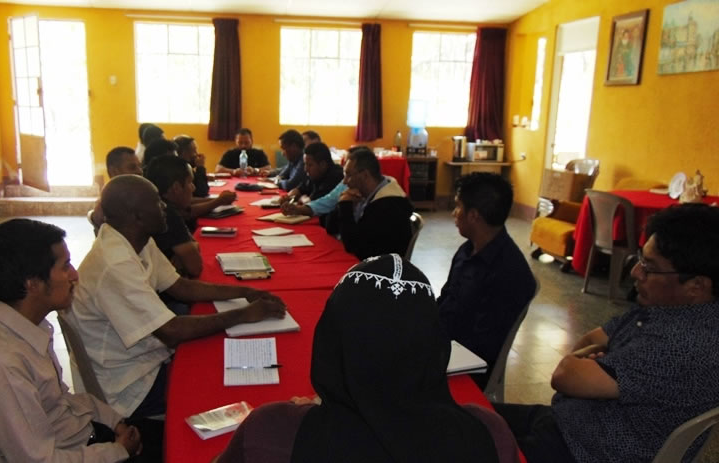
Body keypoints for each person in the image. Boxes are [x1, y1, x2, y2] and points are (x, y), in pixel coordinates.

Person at [215, 255, 514, 463]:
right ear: (434, 344)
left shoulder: (271, 432)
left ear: (330, 343)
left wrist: (303, 416)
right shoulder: (491, 435)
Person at [495, 203, 719, 463]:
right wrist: (591, 362)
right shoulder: (665, 308)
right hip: (570, 423)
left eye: (649, 267)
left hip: (586, 451)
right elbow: (591, 341)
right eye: (640, 259)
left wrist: (592, 361)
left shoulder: (683, 344)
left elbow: (564, 375)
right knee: (466, 415)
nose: (635, 272)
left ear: (696, 286)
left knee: (463, 439)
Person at [69, 175, 287, 418]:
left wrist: (245, 292)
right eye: (156, 202)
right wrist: (244, 315)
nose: (164, 206)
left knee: (215, 354)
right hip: (128, 386)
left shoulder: (136, 239)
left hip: (143, 360)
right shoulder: (115, 263)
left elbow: (181, 286)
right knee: (221, 384)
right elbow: (171, 331)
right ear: (136, 217)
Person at [0, 218, 163, 462]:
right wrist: (117, 451)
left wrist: (115, 422)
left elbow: (62, 401)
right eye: (65, 266)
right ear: (33, 284)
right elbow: (39, 460)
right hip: (80, 452)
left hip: (88, 437)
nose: (75, 275)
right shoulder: (3, 367)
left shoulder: (26, 327)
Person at [438, 172, 536, 389]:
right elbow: (446, 300)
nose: (454, 213)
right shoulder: (467, 250)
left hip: (464, 364)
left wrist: (430, 350)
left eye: (458, 206)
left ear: (474, 215)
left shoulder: (509, 272)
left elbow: (483, 346)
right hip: (444, 343)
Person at [329, 147, 412, 260]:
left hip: (380, 266)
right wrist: (343, 202)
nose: (345, 181)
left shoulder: (387, 206)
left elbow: (352, 246)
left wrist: (345, 206)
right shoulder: (364, 195)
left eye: (348, 175)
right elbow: (330, 227)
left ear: (365, 175)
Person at [142, 138, 237, 232]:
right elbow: (199, 195)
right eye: (173, 159)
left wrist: (218, 199)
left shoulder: (179, 174)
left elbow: (189, 202)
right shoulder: (154, 193)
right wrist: (218, 201)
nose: (177, 161)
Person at [144, 155, 202, 278]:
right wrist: (194, 246)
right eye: (190, 182)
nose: (193, 188)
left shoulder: (151, 204)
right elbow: (195, 267)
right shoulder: (167, 213)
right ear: (176, 188)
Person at [89, 146, 144, 234]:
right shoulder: (106, 206)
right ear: (114, 171)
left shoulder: (141, 196)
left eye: (140, 166)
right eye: (132, 167)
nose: (140, 171)